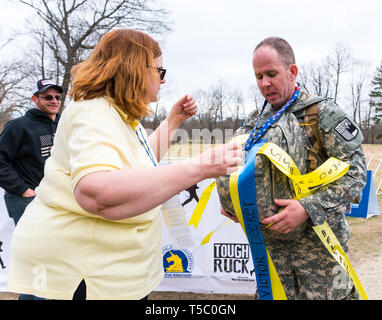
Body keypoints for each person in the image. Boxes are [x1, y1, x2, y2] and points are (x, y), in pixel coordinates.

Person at [7, 29, 243, 300]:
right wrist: (200, 167)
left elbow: (140, 168)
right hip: (80, 275)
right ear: (135, 69)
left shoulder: (116, 113)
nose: (162, 81)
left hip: (104, 272)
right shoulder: (94, 112)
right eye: (160, 71)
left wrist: (173, 121)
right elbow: (97, 192)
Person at [218, 37, 367, 300]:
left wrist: (307, 208)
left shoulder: (322, 114)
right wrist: (235, 201)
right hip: (274, 261)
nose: (265, 83)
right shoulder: (255, 122)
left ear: (292, 71)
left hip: (320, 260)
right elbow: (236, 165)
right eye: (259, 76)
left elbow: (355, 173)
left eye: (272, 74)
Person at [0, 79, 62, 226]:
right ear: (35, 99)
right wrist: (22, 189)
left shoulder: (63, 125)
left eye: (57, 97)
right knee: (31, 247)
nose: (54, 101)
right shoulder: (18, 126)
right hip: (27, 199)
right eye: (48, 97)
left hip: (57, 197)